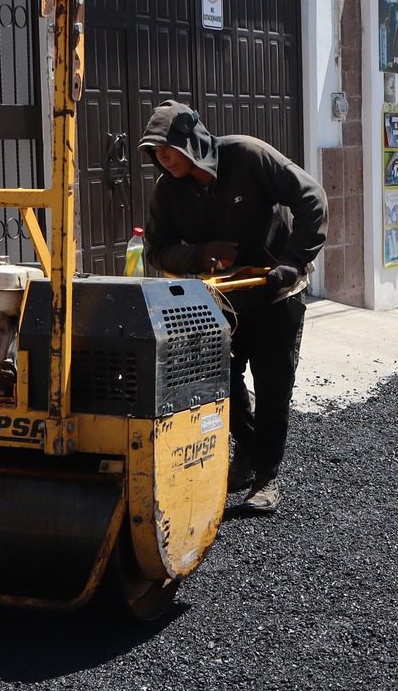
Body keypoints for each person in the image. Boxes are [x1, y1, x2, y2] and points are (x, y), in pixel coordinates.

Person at [139, 100, 327, 516]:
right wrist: (205, 253)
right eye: (155, 153)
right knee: (221, 379)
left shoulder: (247, 156)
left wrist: (291, 262)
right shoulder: (167, 192)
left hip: (277, 292)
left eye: (167, 149)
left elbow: (312, 198)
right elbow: (157, 250)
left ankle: (267, 477)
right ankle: (244, 455)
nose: (162, 159)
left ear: (191, 142)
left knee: (274, 383)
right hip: (222, 298)